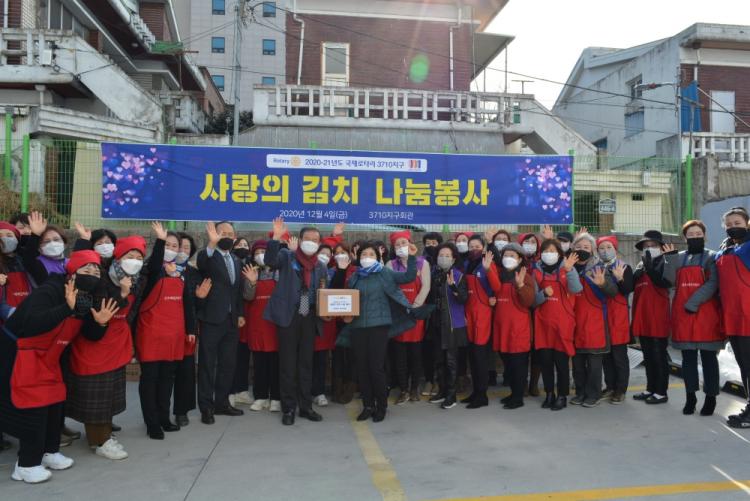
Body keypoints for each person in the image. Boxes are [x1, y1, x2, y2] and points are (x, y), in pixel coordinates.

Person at [0, 250, 119, 484]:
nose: (92, 274)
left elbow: (90, 334)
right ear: (72, 272)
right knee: (33, 408)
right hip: (21, 355)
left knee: (55, 404)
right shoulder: (50, 290)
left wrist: (101, 323)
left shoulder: (85, 298)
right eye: (86, 269)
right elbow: (31, 323)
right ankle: (26, 465)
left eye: (97, 271)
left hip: (50, 359)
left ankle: (49, 451)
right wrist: (66, 307)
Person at [66, 236, 144, 460]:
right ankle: (99, 441)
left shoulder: (134, 280)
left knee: (109, 395)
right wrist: (121, 295)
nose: (134, 261)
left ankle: (105, 434)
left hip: (116, 345)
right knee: (96, 396)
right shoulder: (99, 281)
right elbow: (99, 314)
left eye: (139, 257)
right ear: (118, 257)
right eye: (130, 256)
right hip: (95, 346)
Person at [135, 223, 199, 440]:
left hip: (174, 335)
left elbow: (187, 304)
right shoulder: (151, 270)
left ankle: (164, 418)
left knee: (167, 379)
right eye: (168, 245)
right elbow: (155, 264)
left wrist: (190, 329)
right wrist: (160, 241)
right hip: (151, 334)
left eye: (175, 246)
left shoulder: (181, 273)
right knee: (150, 378)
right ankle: (152, 423)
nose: (171, 249)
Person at [264, 217, 327, 426]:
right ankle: (289, 408)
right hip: (288, 316)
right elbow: (270, 261)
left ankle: (306, 407)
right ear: (299, 240)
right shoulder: (286, 256)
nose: (311, 242)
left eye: (315, 240)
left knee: (306, 364)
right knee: (288, 364)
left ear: (319, 243)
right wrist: (275, 238)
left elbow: (323, 292)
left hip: (309, 316)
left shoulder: (320, 266)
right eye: (307, 239)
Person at [346, 241, 416, 422]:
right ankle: (368, 405)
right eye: (363, 254)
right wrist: (345, 314)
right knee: (362, 368)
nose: (367, 257)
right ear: (358, 258)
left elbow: (408, 277)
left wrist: (411, 257)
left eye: (371, 254)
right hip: (358, 326)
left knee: (376, 367)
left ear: (378, 257)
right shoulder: (355, 276)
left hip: (379, 325)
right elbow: (347, 299)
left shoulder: (385, 272)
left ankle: (381, 406)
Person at [662, 220, 722, 416]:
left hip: (706, 315)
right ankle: (691, 398)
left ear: (704, 236)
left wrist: (693, 303)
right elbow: (669, 281)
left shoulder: (712, 257)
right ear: (685, 238)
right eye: (691, 234)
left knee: (709, 359)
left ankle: (711, 398)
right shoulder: (678, 257)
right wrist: (670, 258)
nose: (695, 237)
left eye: (698, 234)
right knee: (688, 360)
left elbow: (713, 283)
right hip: (684, 316)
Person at [196, 222, 246, 425]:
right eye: (222, 233)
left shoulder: (236, 260)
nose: (227, 236)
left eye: (230, 233)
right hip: (211, 319)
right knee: (207, 365)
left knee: (228, 364)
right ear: (215, 235)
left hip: (231, 321)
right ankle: (206, 407)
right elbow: (202, 263)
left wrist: (240, 314)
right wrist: (211, 244)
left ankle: (222, 403)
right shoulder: (208, 256)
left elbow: (237, 291)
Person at [570, 232, 618, 408]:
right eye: (578, 247)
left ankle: (593, 394)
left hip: (595, 322)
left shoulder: (599, 268)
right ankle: (580, 392)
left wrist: (602, 284)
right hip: (574, 322)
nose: (582, 249)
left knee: (594, 363)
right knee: (577, 364)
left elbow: (613, 292)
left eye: (586, 247)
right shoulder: (569, 268)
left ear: (592, 250)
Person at [487, 243, 537, 409]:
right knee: (508, 365)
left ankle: (518, 397)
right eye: (505, 255)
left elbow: (529, 301)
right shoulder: (499, 275)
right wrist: (492, 302)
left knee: (518, 366)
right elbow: (495, 293)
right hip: (502, 328)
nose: (508, 258)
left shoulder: (525, 276)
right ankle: (514, 393)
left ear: (520, 259)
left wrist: (521, 285)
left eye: (512, 256)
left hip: (518, 329)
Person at [533, 240, 581, 411]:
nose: (549, 253)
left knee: (561, 363)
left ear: (560, 253)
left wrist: (568, 270)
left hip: (563, 324)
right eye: (546, 250)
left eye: (552, 250)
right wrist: (543, 294)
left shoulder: (568, 267)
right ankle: (549, 394)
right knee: (545, 362)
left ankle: (562, 395)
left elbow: (576, 289)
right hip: (543, 324)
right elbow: (533, 300)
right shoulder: (536, 271)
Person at [715, 207, 750, 428]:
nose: (732, 227)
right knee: (744, 365)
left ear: (747, 223)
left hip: (747, 316)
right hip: (733, 317)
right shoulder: (726, 250)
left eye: (737, 223)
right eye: (728, 225)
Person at [388, 230, 430, 405]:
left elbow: (426, 287)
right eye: (397, 244)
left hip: (416, 313)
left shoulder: (422, 263)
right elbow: (389, 288)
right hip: (398, 314)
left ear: (410, 244)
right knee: (400, 355)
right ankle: (404, 389)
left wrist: (416, 305)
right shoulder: (390, 264)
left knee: (415, 354)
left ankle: (414, 388)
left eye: (403, 243)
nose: (401, 247)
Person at [173, 232, 210, 427]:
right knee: (162, 373)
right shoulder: (158, 269)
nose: (182, 251)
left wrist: (201, 298)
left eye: (186, 248)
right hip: (163, 328)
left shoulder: (194, 274)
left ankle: (182, 411)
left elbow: (198, 306)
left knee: (186, 372)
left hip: (188, 328)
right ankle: (158, 412)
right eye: (178, 246)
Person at [631, 230, 672, 405]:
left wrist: (650, 269)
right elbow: (630, 287)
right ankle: (650, 388)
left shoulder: (665, 262)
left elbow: (665, 282)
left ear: (661, 247)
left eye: (653, 245)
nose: (649, 248)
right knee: (647, 355)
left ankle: (661, 392)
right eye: (646, 246)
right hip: (643, 317)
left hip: (658, 317)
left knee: (658, 355)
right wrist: (635, 274)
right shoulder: (640, 266)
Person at [427, 243, 468, 409]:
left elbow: (463, 298)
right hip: (436, 322)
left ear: (453, 259)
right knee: (438, 359)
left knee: (451, 361)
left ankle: (451, 395)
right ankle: (442, 390)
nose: (443, 258)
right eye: (440, 255)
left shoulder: (459, 275)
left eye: (447, 255)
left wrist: (453, 287)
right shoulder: (434, 274)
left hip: (452, 324)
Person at [242, 240, 281, 413]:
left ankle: (276, 398)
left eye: (263, 252)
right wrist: (251, 282)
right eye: (257, 252)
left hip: (275, 325)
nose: (260, 255)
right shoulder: (250, 272)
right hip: (257, 325)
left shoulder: (280, 272)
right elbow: (248, 297)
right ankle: (260, 397)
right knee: (259, 364)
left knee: (276, 364)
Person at [597, 236, 633, 404]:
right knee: (606, 356)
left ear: (615, 249)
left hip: (618, 316)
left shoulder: (624, 267)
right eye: (601, 248)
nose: (605, 251)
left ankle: (620, 390)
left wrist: (620, 278)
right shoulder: (597, 268)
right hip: (602, 315)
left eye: (608, 247)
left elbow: (628, 289)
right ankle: (610, 386)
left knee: (619, 356)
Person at [462, 234, 495, 409]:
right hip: (468, 313)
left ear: (483, 248)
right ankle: (475, 392)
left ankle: (482, 395)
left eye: (477, 246)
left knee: (480, 356)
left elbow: (496, 285)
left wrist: (493, 297)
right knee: (472, 356)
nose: (474, 249)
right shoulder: (466, 264)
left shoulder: (487, 264)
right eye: (471, 246)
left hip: (483, 313)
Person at [330, 243, 358, 404]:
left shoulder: (357, 270)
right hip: (337, 320)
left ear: (349, 254)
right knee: (338, 355)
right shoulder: (332, 271)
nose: (340, 255)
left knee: (353, 356)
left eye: (343, 252)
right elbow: (333, 291)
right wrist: (340, 271)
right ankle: (337, 388)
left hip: (354, 319)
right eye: (337, 253)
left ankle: (350, 388)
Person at [229, 237, 254, 407]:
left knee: (244, 355)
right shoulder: (229, 264)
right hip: (232, 315)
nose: (243, 247)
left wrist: (251, 282)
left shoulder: (251, 266)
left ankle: (242, 390)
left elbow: (248, 295)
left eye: (246, 245)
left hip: (247, 317)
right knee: (230, 356)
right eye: (239, 244)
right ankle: (229, 391)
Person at [21, 211, 68, 285]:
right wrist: (35, 234)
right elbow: (28, 257)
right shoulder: (38, 263)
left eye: (56, 239)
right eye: (46, 241)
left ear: (64, 244)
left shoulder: (70, 262)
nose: (52, 243)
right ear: (39, 248)